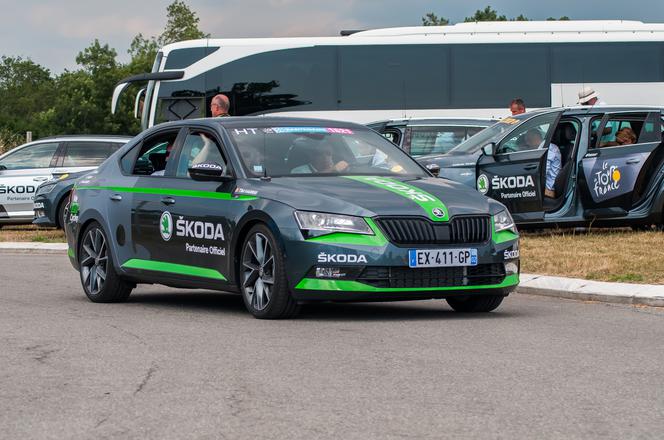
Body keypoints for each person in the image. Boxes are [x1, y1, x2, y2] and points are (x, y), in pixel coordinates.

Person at [525, 129, 561, 198]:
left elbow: (542, 172)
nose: (527, 143)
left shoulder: (549, 148)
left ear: (535, 137)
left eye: (528, 140)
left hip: (547, 190)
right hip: (543, 187)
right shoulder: (541, 148)